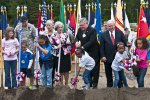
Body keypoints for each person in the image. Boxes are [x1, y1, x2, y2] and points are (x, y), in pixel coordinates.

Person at [100, 19, 127, 87]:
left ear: (114, 25)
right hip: (107, 57)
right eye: (109, 26)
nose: (110, 27)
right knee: (108, 73)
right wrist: (103, 56)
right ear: (106, 26)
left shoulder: (119, 32)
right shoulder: (103, 35)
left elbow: (124, 42)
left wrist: (128, 44)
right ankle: (109, 87)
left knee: (119, 74)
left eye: (111, 26)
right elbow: (101, 47)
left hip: (118, 58)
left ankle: (120, 87)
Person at [75, 18, 100, 89]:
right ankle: (88, 83)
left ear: (87, 23)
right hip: (85, 53)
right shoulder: (80, 30)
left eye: (83, 25)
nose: (81, 27)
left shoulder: (92, 30)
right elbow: (76, 38)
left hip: (94, 52)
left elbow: (92, 41)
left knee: (95, 69)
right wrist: (76, 41)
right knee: (88, 68)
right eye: (80, 25)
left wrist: (82, 47)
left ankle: (95, 84)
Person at [14, 16, 36, 86]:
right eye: (22, 22)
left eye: (25, 21)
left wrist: (34, 47)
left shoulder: (32, 27)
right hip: (21, 51)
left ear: (27, 20)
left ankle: (31, 85)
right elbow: (15, 38)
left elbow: (35, 37)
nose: (24, 23)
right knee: (22, 67)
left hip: (30, 50)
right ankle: (22, 86)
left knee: (31, 67)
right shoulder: (17, 27)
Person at [51, 21, 72, 86]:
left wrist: (63, 43)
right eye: (59, 27)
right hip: (58, 55)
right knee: (60, 69)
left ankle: (66, 83)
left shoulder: (66, 35)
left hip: (65, 54)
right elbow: (52, 45)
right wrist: (57, 46)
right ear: (56, 28)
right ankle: (61, 84)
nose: (60, 28)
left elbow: (69, 44)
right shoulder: (53, 36)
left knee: (66, 69)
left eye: (61, 27)